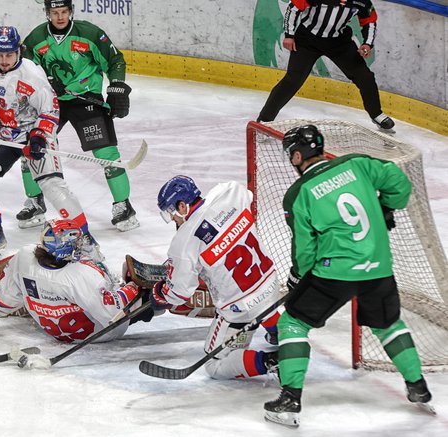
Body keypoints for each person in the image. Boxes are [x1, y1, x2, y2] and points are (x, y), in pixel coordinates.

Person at [263, 125, 432, 427]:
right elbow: (400, 184)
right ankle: (418, 386)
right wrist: (386, 207)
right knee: (389, 323)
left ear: (297, 155)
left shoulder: (299, 193)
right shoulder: (358, 163)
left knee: (292, 322)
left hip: (334, 272)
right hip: (378, 265)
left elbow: (305, 246)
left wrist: (299, 276)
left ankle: (289, 399)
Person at [0, 25, 99, 264]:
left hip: (33, 130)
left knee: (53, 185)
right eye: (0, 54)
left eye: (10, 55)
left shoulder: (33, 75)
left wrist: (38, 137)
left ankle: (85, 239)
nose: (4, 60)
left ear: (19, 52)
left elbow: (51, 110)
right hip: (1, 134)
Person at [20, 0, 139, 232]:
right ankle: (35, 202)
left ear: (71, 11)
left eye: (64, 11)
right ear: (47, 13)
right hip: (51, 101)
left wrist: (116, 87)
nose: (60, 17)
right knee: (32, 147)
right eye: (55, 13)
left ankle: (123, 205)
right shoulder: (35, 39)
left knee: (106, 153)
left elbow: (115, 60)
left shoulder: (89, 34)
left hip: (85, 98)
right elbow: (25, 70)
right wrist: (47, 81)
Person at [151, 175, 281, 380]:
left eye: (171, 212)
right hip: (272, 285)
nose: (173, 219)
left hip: (241, 310)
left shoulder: (184, 242)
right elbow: (246, 196)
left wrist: (159, 294)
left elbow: (178, 293)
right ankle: (279, 331)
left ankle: (272, 361)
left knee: (214, 365)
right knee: (258, 295)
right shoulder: (229, 191)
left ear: (182, 206)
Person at [0, 218, 151, 346]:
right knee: (149, 289)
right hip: (98, 333)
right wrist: (135, 288)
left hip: (53, 328)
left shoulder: (25, 256)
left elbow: (3, 300)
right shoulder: (82, 274)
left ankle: (25, 306)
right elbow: (113, 316)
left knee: (18, 282)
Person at [257, 0, 395, 131]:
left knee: (365, 77)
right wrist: (289, 35)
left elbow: (369, 21)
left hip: (339, 43)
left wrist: (367, 43)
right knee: (293, 80)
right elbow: (293, 8)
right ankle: (264, 120)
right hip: (307, 40)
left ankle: (376, 114)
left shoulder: (361, 1)